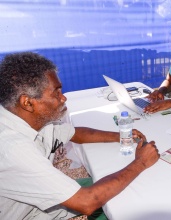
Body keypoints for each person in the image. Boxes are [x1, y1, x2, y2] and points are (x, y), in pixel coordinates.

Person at [0, 52, 160, 219]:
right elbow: (87, 202)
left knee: (118, 188)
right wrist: (141, 162)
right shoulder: (13, 149)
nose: (63, 98)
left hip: (36, 203)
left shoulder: (29, 119)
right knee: (128, 207)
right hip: (28, 215)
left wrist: (121, 136)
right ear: (27, 102)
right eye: (56, 93)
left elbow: (76, 133)